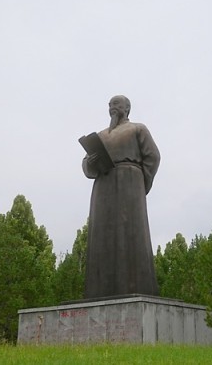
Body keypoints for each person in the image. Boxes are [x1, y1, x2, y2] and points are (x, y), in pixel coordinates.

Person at [82, 95, 160, 298]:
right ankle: (99, 291)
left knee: (131, 232)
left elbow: (153, 156)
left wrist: (140, 182)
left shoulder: (137, 129)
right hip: (103, 185)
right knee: (101, 234)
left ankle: (136, 287)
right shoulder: (101, 135)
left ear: (127, 108)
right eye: (110, 105)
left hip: (130, 183)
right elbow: (86, 165)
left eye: (116, 104)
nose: (112, 108)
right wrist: (91, 162)